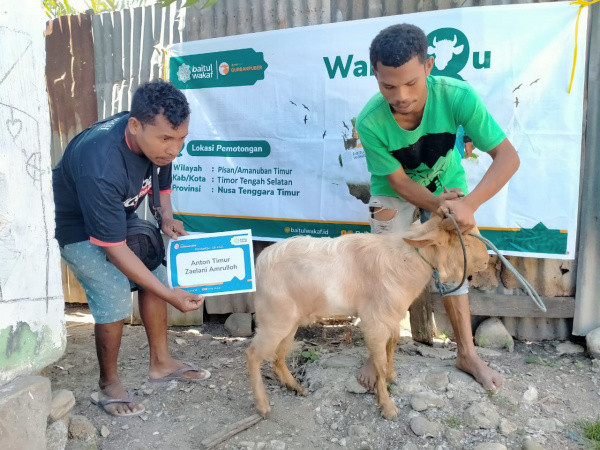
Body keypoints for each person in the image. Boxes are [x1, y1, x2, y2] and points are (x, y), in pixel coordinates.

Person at [356, 24, 520, 391]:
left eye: (411, 83)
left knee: (453, 265)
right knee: (382, 267)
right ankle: (376, 348)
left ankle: (466, 353)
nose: (400, 96)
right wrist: (436, 206)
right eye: (388, 86)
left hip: (450, 187)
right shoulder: (369, 121)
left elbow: (507, 157)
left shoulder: (457, 96)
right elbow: (398, 182)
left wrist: (469, 205)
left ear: (429, 66)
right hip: (394, 191)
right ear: (375, 76)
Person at [53, 80, 209, 417]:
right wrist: (171, 296)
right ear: (135, 126)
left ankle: (161, 363)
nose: (174, 150)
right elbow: (114, 250)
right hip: (74, 227)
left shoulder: (159, 142)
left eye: (181, 139)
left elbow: (162, 180)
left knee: (154, 263)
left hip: (114, 219)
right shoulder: (102, 162)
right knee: (112, 291)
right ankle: (108, 383)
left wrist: (165, 218)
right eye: (167, 139)